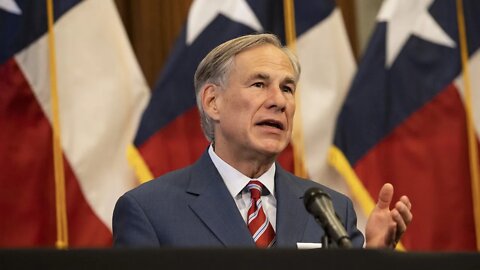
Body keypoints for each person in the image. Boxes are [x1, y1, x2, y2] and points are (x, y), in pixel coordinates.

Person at [112, 33, 412, 248]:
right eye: (259, 84)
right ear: (213, 101)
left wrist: (373, 258)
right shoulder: (150, 211)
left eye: (288, 88)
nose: (279, 101)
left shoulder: (332, 209)